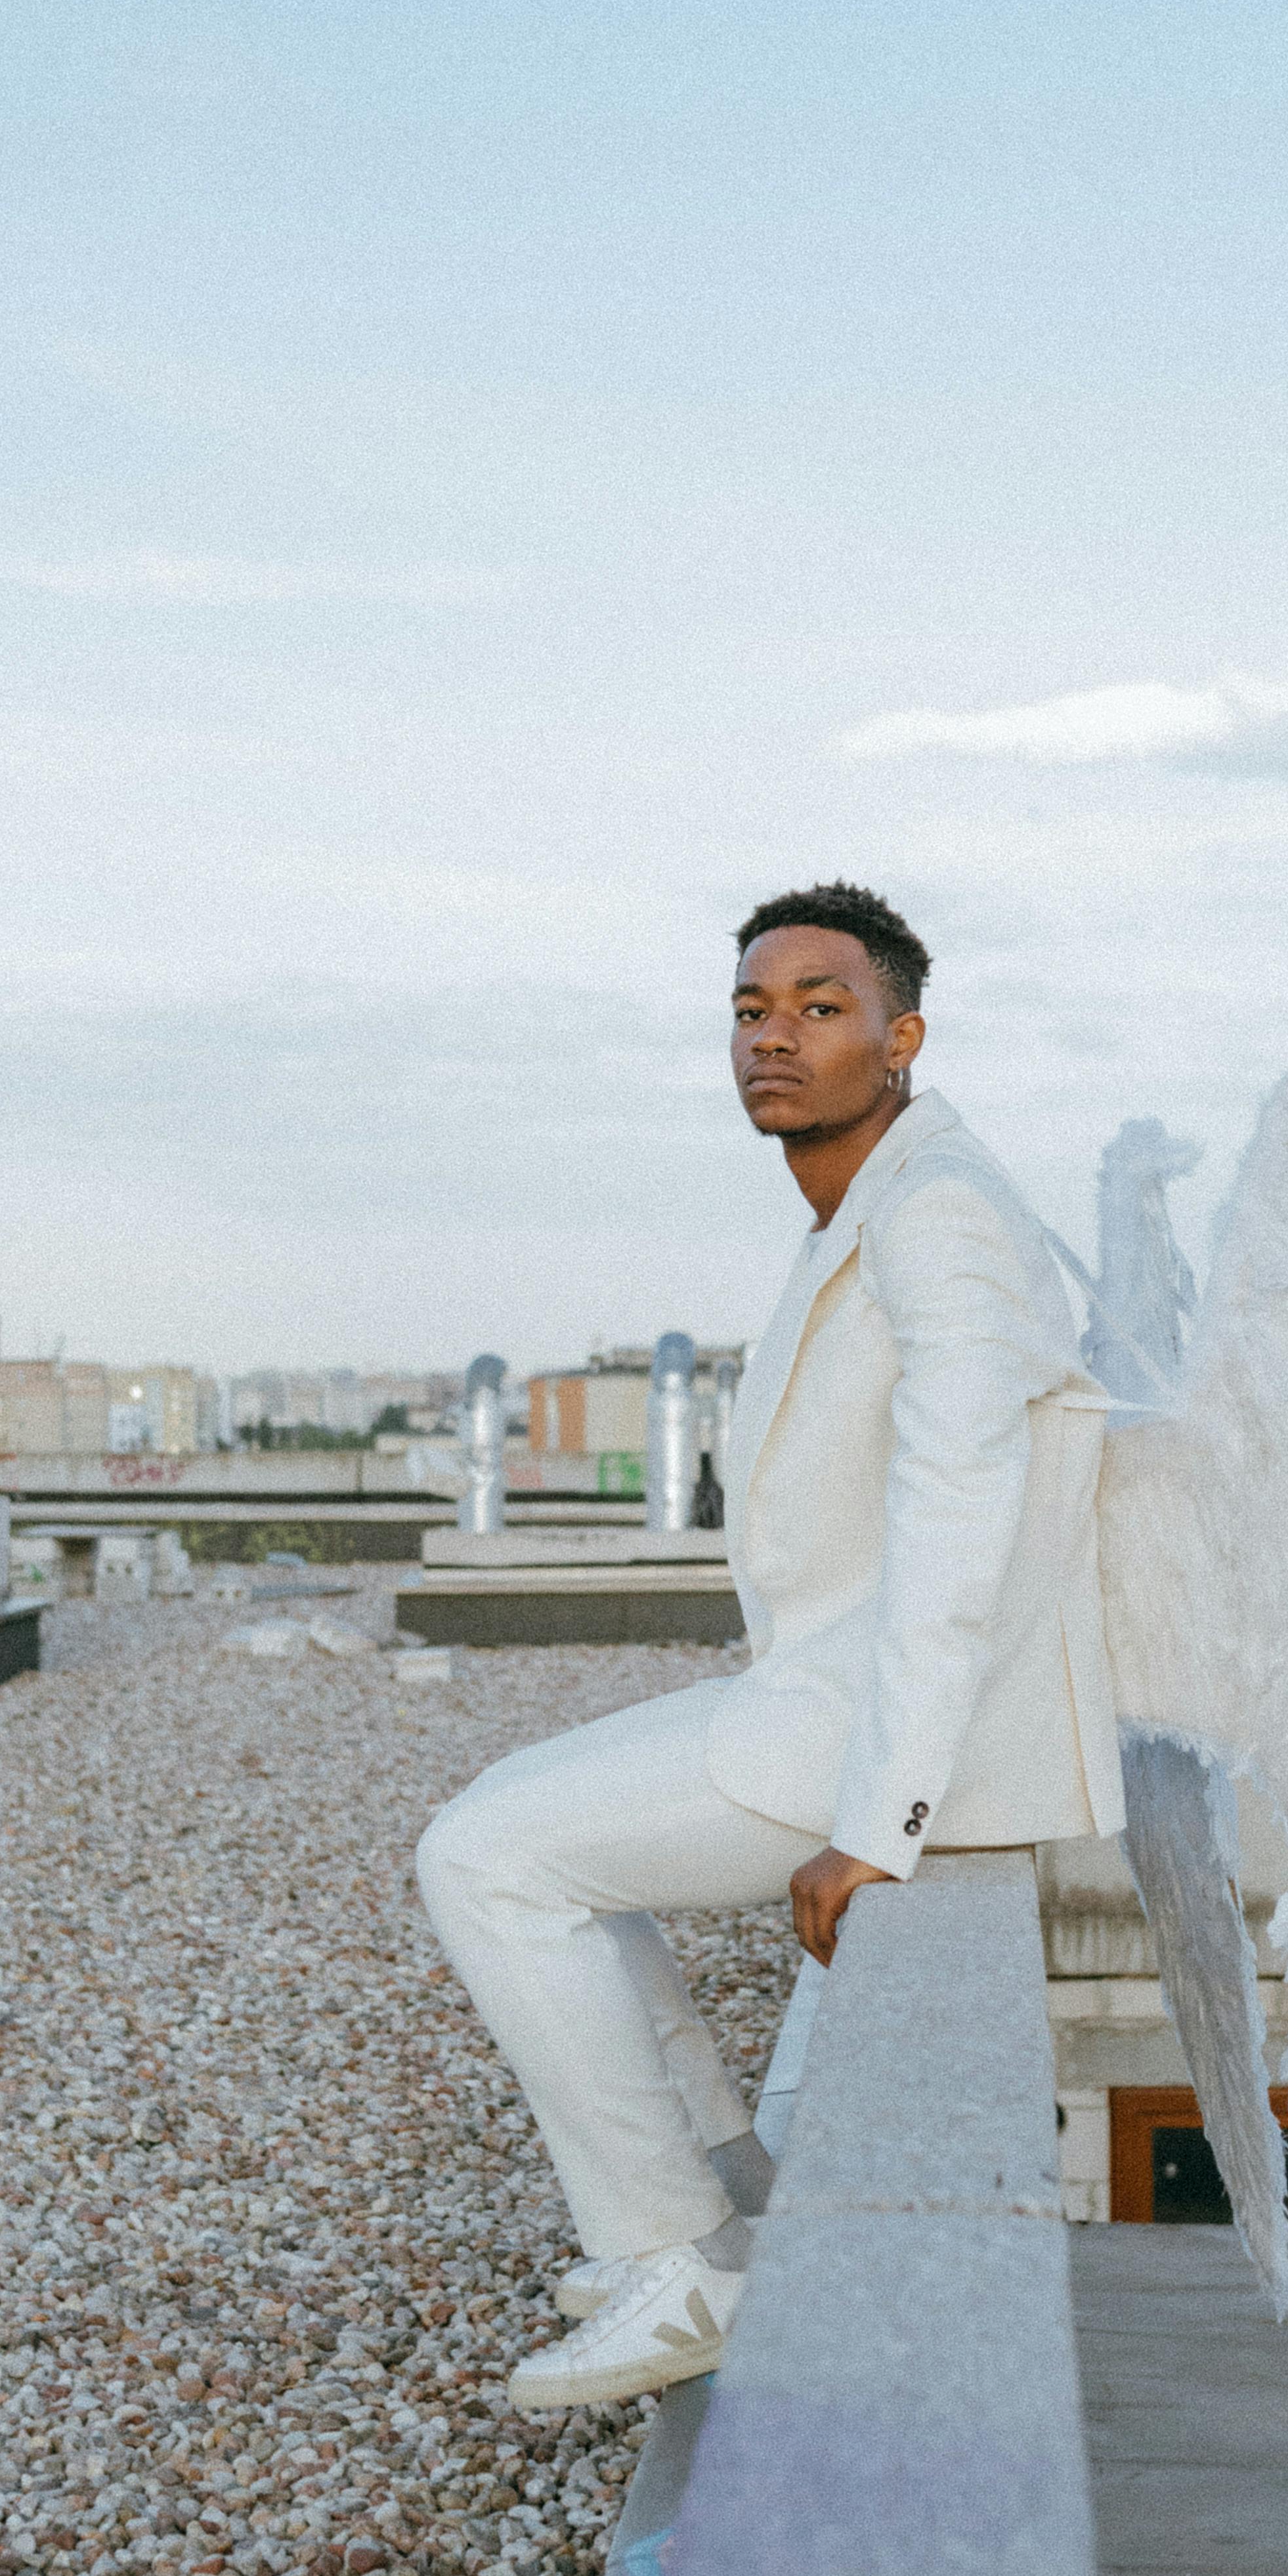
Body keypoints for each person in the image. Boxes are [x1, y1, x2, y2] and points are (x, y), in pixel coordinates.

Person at [414, 878, 1125, 2414]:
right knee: (526, 1826)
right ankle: (725, 2193)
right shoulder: (876, 1202)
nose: (775, 1039)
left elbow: (960, 1518)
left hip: (877, 1728)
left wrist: (883, 1824)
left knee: (488, 1858)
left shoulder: (935, 1219)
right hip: (825, 1690)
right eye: (751, 1011)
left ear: (901, 1038)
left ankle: (677, 2262)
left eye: (820, 1008)